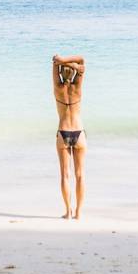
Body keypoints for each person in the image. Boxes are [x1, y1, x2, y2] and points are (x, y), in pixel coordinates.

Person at [51, 54, 86, 219]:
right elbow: (82, 60)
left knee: (65, 174)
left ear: (60, 73)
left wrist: (59, 61)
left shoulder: (57, 87)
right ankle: (79, 212)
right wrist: (71, 63)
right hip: (79, 133)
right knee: (80, 175)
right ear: (72, 73)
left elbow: (54, 63)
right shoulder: (78, 86)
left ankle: (68, 211)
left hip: (63, 132)